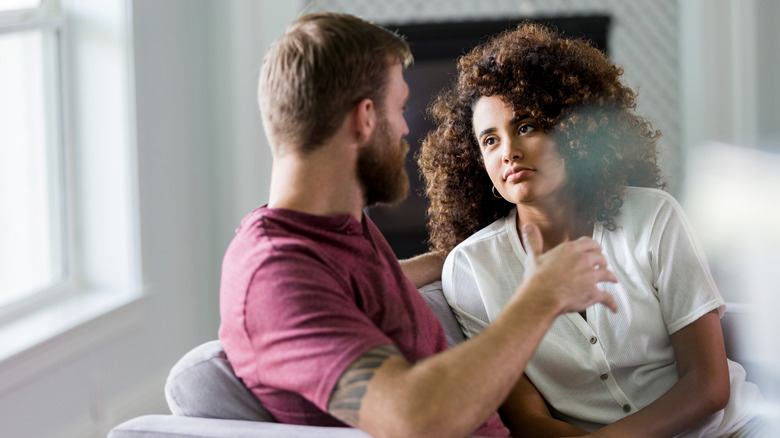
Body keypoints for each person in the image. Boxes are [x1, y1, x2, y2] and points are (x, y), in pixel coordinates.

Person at [218, 12, 620, 438]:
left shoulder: (334, 231)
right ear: (366, 118)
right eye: (401, 107)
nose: (407, 130)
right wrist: (541, 298)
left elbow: (364, 291)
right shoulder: (275, 275)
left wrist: (471, 253)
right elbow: (412, 417)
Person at [419, 22, 765, 437]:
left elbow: (709, 388)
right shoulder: (470, 270)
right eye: (489, 141)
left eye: (526, 126)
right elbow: (529, 419)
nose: (509, 150)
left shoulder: (654, 217)